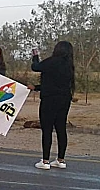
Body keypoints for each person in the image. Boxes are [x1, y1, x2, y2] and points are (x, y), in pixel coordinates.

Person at [31, 41, 75, 170]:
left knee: (47, 129)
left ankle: (45, 161)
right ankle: (61, 160)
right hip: (64, 100)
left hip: (49, 100)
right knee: (61, 128)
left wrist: (35, 55)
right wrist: (36, 87)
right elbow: (56, 83)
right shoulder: (69, 66)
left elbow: (35, 67)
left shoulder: (51, 62)